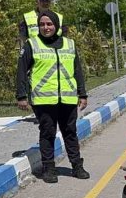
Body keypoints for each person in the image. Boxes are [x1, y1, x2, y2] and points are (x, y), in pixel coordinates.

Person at [16, 11, 89, 183]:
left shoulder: (69, 44)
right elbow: (21, 71)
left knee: (70, 133)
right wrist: (21, 95)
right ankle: (49, 168)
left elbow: (77, 70)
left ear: (56, 25)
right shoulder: (32, 44)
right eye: (42, 24)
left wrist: (82, 93)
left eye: (49, 24)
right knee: (48, 133)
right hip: (43, 100)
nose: (46, 27)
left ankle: (77, 166)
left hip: (68, 99)